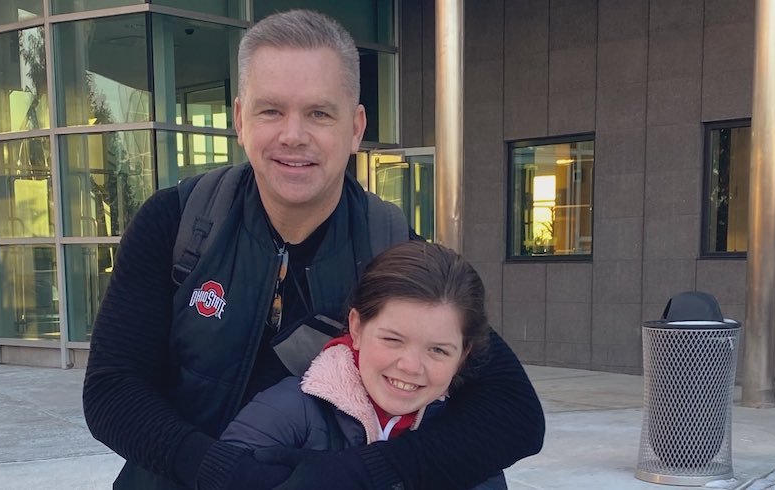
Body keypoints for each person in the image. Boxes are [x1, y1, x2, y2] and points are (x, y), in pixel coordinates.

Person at [83, 8, 544, 490]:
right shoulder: (177, 223)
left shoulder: (389, 247)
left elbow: (514, 414)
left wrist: (368, 470)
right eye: (271, 110)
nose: (293, 135)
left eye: (319, 113)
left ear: (355, 127)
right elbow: (112, 390)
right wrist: (217, 470)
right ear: (240, 119)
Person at [221, 241, 509, 489]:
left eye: (437, 350)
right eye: (393, 340)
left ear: (463, 354)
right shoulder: (287, 410)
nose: (410, 366)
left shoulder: (467, 430)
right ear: (356, 328)